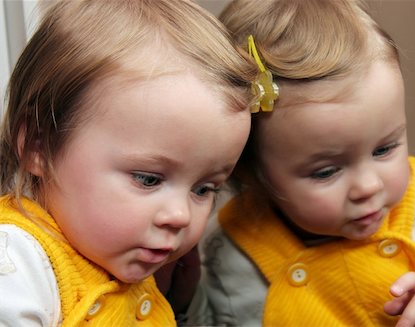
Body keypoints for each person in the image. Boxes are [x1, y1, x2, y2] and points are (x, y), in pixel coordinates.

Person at [185, 0, 415, 326]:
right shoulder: (235, 251)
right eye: (326, 171)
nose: (369, 186)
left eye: (384, 150)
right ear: (251, 172)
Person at [0, 0, 258, 325]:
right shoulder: (16, 264)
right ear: (39, 145)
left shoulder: (120, 257)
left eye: (204, 189)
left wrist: (182, 303)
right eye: (148, 179)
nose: (180, 216)